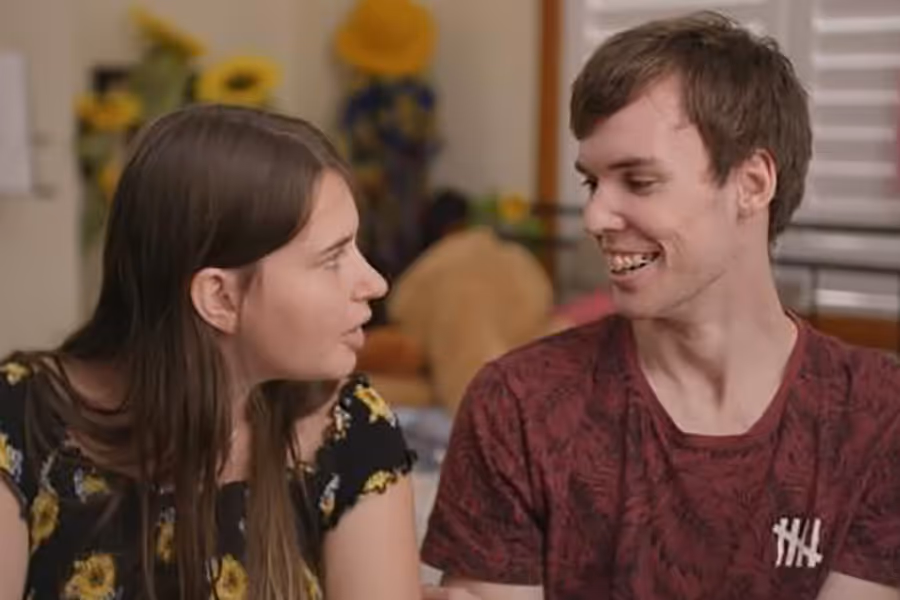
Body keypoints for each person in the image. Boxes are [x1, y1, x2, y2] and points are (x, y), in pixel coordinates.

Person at [422, 11, 900, 600]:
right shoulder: (517, 405)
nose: (596, 217)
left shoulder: (878, 413)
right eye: (593, 183)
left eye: (639, 182)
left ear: (752, 184)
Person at [0, 104, 422, 600]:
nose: (374, 283)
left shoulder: (352, 429)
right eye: (332, 258)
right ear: (219, 297)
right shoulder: (20, 419)